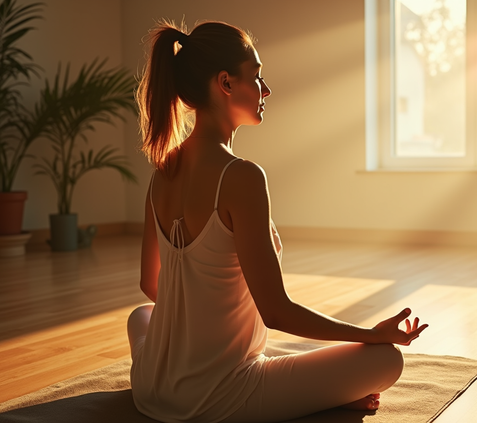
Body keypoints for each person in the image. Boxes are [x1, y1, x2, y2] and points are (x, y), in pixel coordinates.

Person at [126, 20, 429, 423]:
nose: (266, 90)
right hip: (217, 399)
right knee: (385, 361)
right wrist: (372, 335)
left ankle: (308, 386)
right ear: (225, 83)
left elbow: (151, 285)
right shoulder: (241, 176)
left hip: (152, 388)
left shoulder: (162, 169)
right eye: (257, 76)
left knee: (141, 317)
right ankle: (324, 394)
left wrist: (194, 331)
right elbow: (276, 312)